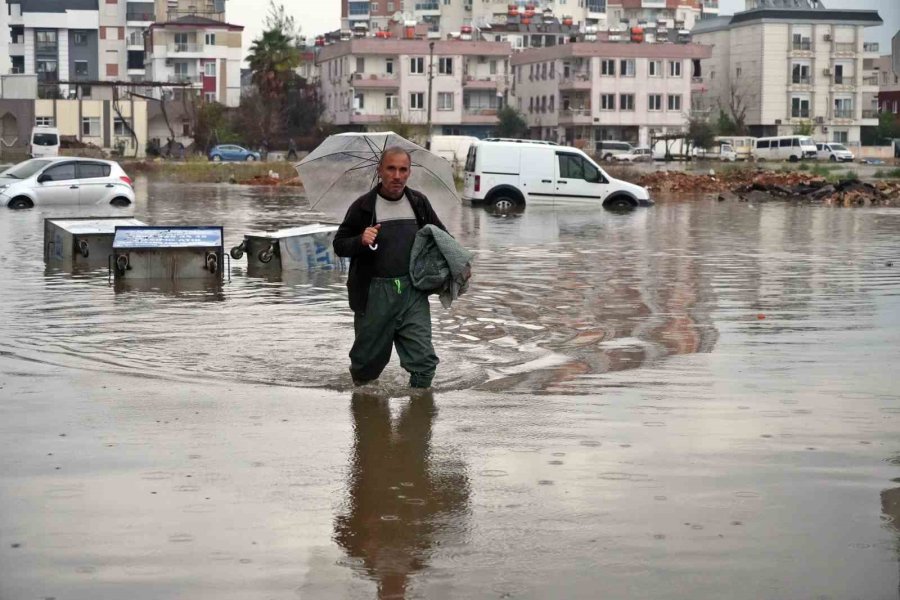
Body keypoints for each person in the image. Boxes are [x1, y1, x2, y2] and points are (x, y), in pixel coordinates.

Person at [333, 147, 447, 389]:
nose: (397, 175)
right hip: (373, 294)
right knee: (366, 368)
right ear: (380, 171)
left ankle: (417, 418)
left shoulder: (419, 203)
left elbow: (442, 238)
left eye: (403, 169)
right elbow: (339, 245)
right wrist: (360, 240)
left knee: (425, 364)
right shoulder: (363, 207)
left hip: (412, 292)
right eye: (391, 168)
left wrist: (458, 266)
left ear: (409, 172)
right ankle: (366, 413)